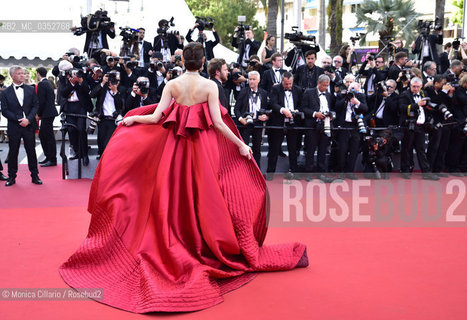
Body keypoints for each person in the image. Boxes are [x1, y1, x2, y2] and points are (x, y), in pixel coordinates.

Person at [59, 42, 308, 313]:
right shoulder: (210, 87)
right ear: (202, 62)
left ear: (184, 61)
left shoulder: (172, 85)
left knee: (173, 197)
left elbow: (155, 117)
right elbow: (218, 123)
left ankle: (176, 242)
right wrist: (239, 144)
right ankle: (200, 244)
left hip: (174, 151)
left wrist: (132, 121)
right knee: (205, 197)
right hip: (203, 152)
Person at [1, 66, 42, 186]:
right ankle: (11, 177)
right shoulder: (5, 92)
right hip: (14, 126)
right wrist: (19, 119)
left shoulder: (30, 89)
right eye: (18, 74)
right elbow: (4, 110)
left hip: (29, 125)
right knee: (13, 152)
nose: (22, 76)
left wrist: (28, 119)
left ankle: (35, 175)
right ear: (12, 76)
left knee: (31, 151)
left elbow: (36, 105)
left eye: (23, 73)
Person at [36, 67, 59, 167]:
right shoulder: (48, 83)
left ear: (38, 74)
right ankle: (49, 157)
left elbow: (41, 101)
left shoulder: (42, 84)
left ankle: (52, 158)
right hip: (49, 113)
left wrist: (38, 114)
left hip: (46, 113)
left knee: (47, 136)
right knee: (44, 135)